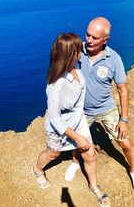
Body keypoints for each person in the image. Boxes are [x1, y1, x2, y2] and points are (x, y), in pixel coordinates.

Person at [65, 18, 134, 194]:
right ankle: (75, 162)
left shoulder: (113, 59)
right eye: (87, 34)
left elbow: (122, 90)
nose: (89, 40)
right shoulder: (77, 52)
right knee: (77, 140)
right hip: (82, 110)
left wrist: (124, 119)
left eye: (95, 37)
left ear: (105, 40)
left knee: (124, 142)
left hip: (106, 108)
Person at [32, 33, 110, 207]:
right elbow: (54, 117)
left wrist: (100, 42)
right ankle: (37, 170)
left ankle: (94, 186)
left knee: (89, 153)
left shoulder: (76, 66)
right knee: (54, 153)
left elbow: (89, 50)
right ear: (70, 54)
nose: (82, 50)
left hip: (78, 118)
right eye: (78, 49)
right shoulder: (55, 84)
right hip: (60, 124)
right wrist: (75, 137)